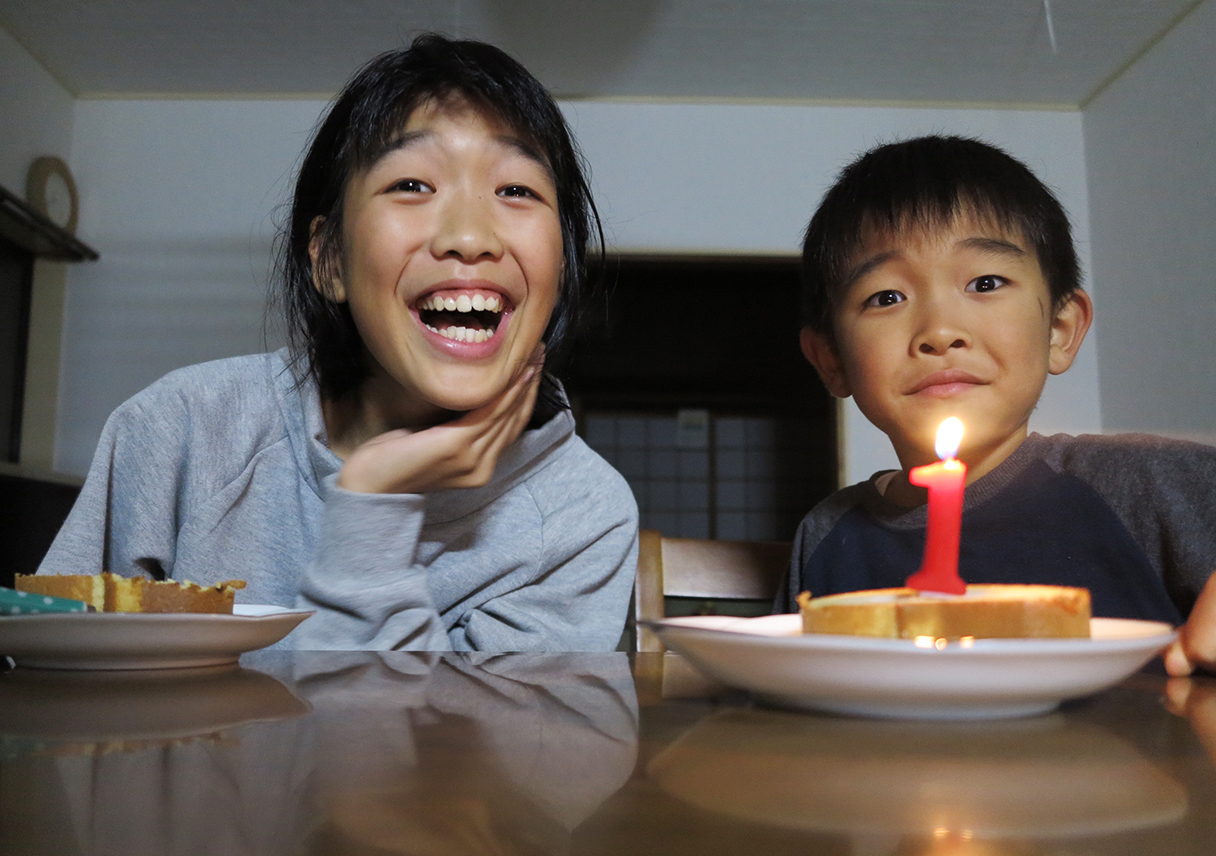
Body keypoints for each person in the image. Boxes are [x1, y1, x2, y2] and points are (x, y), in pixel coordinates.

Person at [37, 34, 638, 651]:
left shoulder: (582, 516)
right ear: (329, 261)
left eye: (516, 190)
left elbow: (445, 722)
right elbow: (52, 671)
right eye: (412, 184)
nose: (469, 237)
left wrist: (373, 510)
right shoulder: (183, 429)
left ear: (559, 267)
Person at [775, 134, 1216, 674]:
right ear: (831, 360)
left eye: (985, 282)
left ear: (1059, 330)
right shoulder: (826, 534)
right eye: (886, 297)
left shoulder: (1145, 482)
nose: (940, 331)